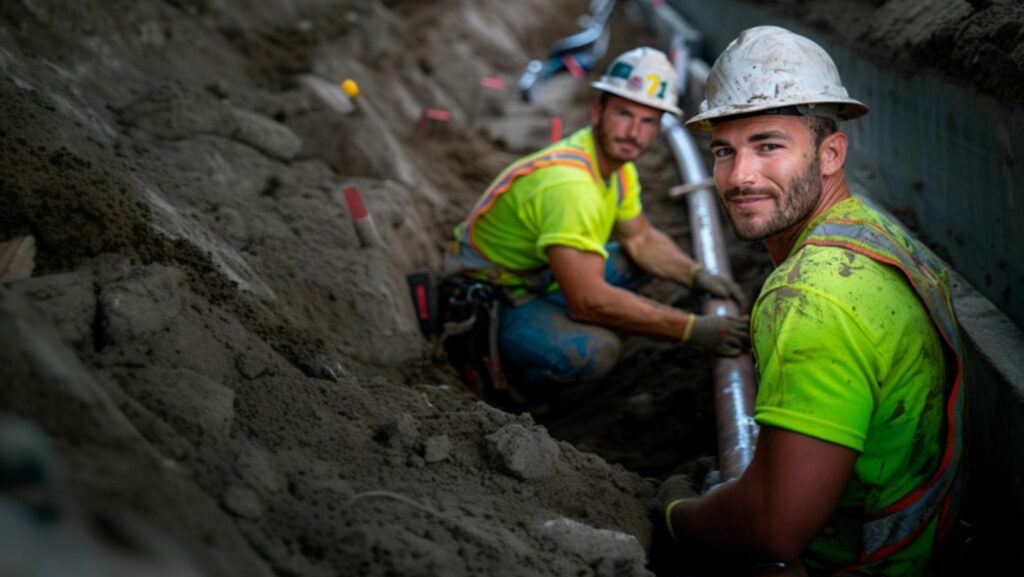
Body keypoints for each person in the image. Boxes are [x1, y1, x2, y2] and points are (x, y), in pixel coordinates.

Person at [655, 26, 966, 575]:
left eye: (769, 145)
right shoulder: (882, 238)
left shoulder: (809, 297)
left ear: (830, 153)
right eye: (725, 151)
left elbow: (774, 531)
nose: (739, 176)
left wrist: (676, 515)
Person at [441, 47, 749, 404]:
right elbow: (586, 302)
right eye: (624, 113)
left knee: (631, 260)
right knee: (597, 351)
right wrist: (693, 329)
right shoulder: (572, 187)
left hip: (533, 276)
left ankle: (568, 323)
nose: (634, 132)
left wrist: (694, 274)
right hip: (491, 298)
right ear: (598, 111)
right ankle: (516, 403)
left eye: (648, 121)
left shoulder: (619, 169)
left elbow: (641, 238)